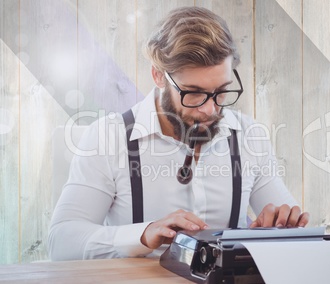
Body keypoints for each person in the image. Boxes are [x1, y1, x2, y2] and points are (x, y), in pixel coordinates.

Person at [48, 6, 309, 260]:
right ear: (159, 76)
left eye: (221, 91)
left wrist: (282, 228)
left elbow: (295, 231)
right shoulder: (108, 138)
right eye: (193, 92)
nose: (210, 109)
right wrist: (142, 235)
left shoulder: (250, 136)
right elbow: (62, 241)